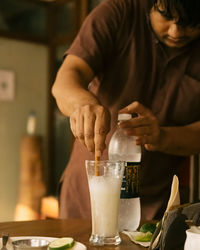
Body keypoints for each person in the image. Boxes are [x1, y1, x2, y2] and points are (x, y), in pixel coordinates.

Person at [52, 0, 200, 221]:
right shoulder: (118, 12)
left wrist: (162, 136)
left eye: (190, 23)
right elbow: (66, 79)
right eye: (166, 16)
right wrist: (83, 104)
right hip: (87, 199)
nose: (176, 32)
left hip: (159, 206)